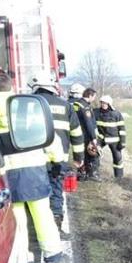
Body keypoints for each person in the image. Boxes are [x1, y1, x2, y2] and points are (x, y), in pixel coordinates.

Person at [0, 73, 69, 263]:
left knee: (17, 219)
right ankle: (53, 257)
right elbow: (47, 137)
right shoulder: (22, 105)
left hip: (4, 174)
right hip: (33, 169)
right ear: (11, 87)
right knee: (42, 214)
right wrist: (57, 161)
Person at [28, 71, 83, 231]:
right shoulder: (66, 106)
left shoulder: (30, 104)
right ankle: (57, 225)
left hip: (35, 160)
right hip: (59, 160)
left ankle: (36, 228)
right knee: (56, 191)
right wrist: (78, 158)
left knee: (37, 194)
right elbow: (77, 134)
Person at [70, 85, 101, 180]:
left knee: (81, 154)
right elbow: (89, 123)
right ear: (90, 96)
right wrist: (93, 138)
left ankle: (82, 174)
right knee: (93, 153)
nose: (94, 99)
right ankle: (92, 174)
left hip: (77, 133)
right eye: (94, 96)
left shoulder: (76, 104)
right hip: (86, 134)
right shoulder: (85, 106)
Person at [96, 94, 126, 178]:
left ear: (109, 104)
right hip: (101, 138)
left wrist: (122, 142)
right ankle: (94, 173)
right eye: (102, 103)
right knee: (94, 153)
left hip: (114, 141)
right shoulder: (96, 113)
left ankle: (119, 177)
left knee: (117, 158)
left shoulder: (116, 114)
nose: (103, 105)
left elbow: (122, 129)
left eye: (105, 103)